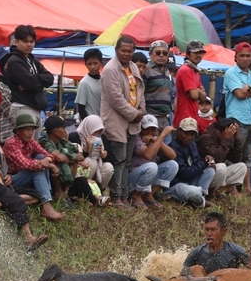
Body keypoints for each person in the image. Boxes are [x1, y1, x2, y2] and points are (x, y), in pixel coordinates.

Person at [0, 115, 49, 250]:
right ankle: (29, 238)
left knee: (36, 195)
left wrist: (6, 176)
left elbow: (3, 170)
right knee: (18, 201)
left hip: (0, 181)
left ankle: (4, 203)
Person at [100, 35, 145, 207]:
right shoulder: (111, 69)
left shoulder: (133, 66)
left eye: (130, 51)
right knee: (118, 160)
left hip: (132, 121)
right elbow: (116, 99)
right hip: (116, 121)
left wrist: (141, 110)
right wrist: (135, 114)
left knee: (126, 160)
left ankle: (125, 195)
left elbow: (140, 90)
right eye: (123, 50)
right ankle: (116, 196)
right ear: (116, 50)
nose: (126, 54)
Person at [4, 112, 63, 221]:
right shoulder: (11, 143)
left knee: (41, 157)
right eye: (27, 129)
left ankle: (45, 198)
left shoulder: (31, 141)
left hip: (27, 175)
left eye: (32, 129)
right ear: (18, 131)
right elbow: (26, 164)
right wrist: (49, 165)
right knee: (38, 166)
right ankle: (46, 205)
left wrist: (47, 160)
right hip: (13, 179)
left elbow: (47, 154)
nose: (30, 133)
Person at [223, 42, 251, 192]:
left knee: (249, 155)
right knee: (235, 154)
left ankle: (247, 188)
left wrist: (250, 89)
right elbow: (239, 94)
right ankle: (231, 188)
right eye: (242, 55)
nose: (245, 58)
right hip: (237, 120)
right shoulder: (231, 73)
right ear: (235, 57)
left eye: (248, 56)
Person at [2, 25, 53, 127]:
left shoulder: (32, 60)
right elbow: (33, 84)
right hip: (22, 108)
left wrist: (36, 77)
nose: (29, 44)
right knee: (25, 142)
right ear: (16, 42)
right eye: (25, 41)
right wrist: (38, 82)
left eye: (32, 41)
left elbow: (50, 79)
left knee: (34, 143)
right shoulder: (14, 61)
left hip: (35, 109)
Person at [127, 115, 176, 208]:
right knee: (152, 166)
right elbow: (148, 155)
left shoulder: (155, 139)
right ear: (141, 128)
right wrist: (162, 135)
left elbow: (173, 156)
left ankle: (148, 194)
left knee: (173, 165)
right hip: (132, 178)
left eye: (153, 129)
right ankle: (135, 195)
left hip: (149, 177)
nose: (150, 132)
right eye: (147, 129)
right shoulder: (136, 138)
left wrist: (157, 140)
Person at [182, 211, 249, 275]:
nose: (209, 233)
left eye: (213, 230)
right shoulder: (197, 253)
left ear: (224, 231)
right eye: (207, 229)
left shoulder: (235, 251)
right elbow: (183, 275)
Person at [166, 117, 213, 208]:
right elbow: (185, 173)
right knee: (192, 191)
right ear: (179, 131)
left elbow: (196, 165)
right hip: (176, 184)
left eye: (192, 134)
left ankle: (200, 196)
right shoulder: (173, 147)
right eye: (186, 133)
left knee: (210, 170)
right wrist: (203, 163)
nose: (189, 137)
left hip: (190, 182)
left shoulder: (193, 145)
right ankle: (200, 200)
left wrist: (207, 161)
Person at [198, 118, 247, 197]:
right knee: (221, 166)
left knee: (242, 167)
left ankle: (218, 192)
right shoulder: (206, 138)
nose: (230, 136)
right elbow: (218, 158)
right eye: (228, 133)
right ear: (219, 131)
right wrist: (227, 139)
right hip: (205, 174)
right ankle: (209, 194)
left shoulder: (226, 138)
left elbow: (236, 159)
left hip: (217, 175)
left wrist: (237, 138)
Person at [40, 114, 85, 200]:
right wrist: (70, 157)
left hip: (62, 175)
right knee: (56, 163)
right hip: (48, 176)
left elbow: (81, 157)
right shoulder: (44, 141)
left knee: (74, 163)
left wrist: (68, 156)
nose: (65, 131)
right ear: (55, 131)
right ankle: (58, 194)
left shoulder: (63, 141)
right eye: (63, 128)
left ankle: (65, 193)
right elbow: (59, 158)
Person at [173, 40, 206, 129]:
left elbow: (203, 98)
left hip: (191, 117)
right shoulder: (186, 70)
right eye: (195, 53)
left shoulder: (195, 71)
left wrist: (197, 91)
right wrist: (199, 91)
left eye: (201, 53)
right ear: (188, 54)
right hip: (184, 119)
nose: (198, 55)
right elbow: (195, 96)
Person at [143, 40, 174, 129]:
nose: (161, 55)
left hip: (165, 118)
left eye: (165, 53)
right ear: (150, 54)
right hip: (150, 117)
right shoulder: (146, 70)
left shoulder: (167, 72)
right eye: (157, 52)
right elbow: (140, 94)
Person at [75, 48, 104, 121]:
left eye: (95, 63)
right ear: (85, 65)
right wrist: (87, 124)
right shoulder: (84, 83)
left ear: (101, 63)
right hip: (92, 123)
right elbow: (81, 108)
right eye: (89, 64)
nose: (93, 67)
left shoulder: (104, 80)